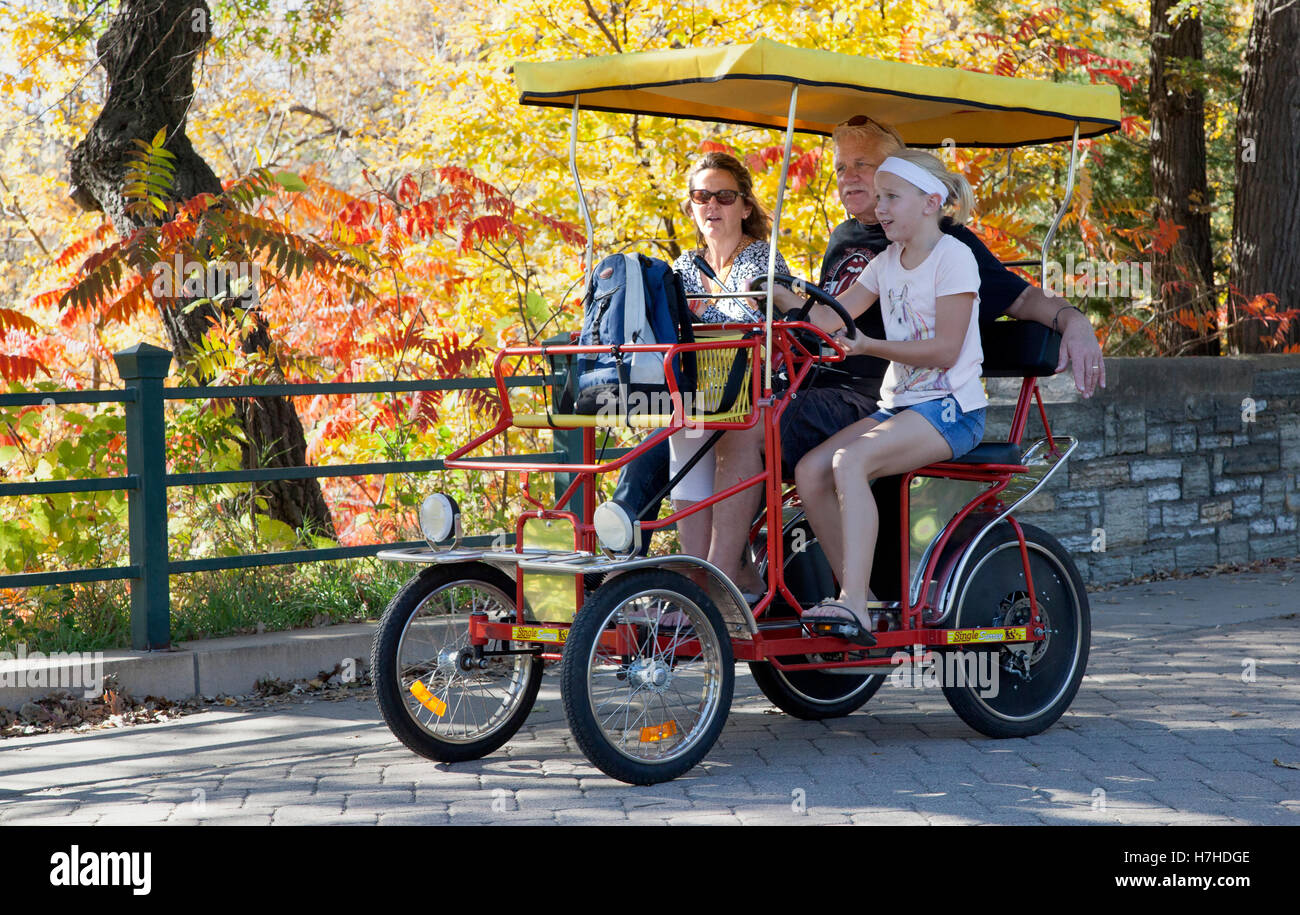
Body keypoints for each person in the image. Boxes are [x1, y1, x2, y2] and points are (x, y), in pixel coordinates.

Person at [795, 149, 984, 643]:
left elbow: (946, 351)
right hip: (899, 406)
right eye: (878, 197)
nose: (879, 207)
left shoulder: (954, 258)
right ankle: (862, 599)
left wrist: (870, 345)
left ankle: (854, 603)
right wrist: (778, 299)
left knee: (848, 462)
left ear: (931, 202)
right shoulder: (884, 262)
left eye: (891, 197)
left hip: (951, 410)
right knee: (809, 470)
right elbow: (825, 320)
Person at [660, 152, 787, 590]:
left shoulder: (760, 259)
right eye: (701, 196)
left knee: (730, 428)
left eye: (725, 196)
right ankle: (699, 575)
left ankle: (712, 580)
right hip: (707, 393)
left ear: (745, 207)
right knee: (681, 426)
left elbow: (749, 319)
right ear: (691, 206)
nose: (711, 205)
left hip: (766, 388)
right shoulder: (683, 268)